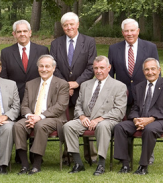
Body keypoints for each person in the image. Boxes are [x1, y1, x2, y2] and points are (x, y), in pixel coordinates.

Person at [63, 56, 127, 176]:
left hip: (107, 120)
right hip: (86, 119)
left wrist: (99, 119)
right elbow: (78, 105)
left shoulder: (119, 86)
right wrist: (81, 116)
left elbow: (119, 110)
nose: (98, 71)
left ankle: (101, 164)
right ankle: (78, 163)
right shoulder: (85, 84)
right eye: (96, 68)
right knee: (68, 126)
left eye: (102, 68)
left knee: (102, 126)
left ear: (109, 68)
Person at [108, 18, 159, 163]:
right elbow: (110, 75)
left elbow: (156, 73)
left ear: (138, 31)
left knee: (147, 124)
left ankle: (148, 155)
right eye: (126, 31)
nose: (129, 33)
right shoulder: (113, 49)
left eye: (132, 30)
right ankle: (125, 156)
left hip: (145, 96)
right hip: (123, 97)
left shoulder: (150, 47)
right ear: (122, 32)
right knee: (126, 126)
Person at [50, 11, 98, 163]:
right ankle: (68, 156)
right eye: (66, 25)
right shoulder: (55, 43)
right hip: (63, 90)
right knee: (66, 122)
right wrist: (65, 85)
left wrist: (76, 83)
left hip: (83, 89)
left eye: (72, 24)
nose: (69, 27)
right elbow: (53, 67)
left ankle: (91, 156)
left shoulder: (89, 41)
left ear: (78, 24)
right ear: (62, 27)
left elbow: (92, 66)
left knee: (86, 120)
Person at [13, 54, 69, 175]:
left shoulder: (62, 84)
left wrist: (40, 117)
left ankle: (36, 165)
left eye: (47, 66)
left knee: (41, 125)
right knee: (18, 126)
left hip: (53, 118)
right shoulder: (30, 84)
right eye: (41, 66)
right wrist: (30, 116)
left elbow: (60, 107)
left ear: (53, 68)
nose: (44, 69)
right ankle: (24, 165)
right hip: (32, 116)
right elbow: (24, 106)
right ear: (38, 68)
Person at [114, 58, 163, 175]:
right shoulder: (138, 87)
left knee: (149, 129)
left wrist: (151, 119)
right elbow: (135, 107)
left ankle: (143, 166)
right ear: (143, 72)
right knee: (120, 127)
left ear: (159, 70)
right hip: (141, 119)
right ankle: (125, 164)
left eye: (153, 69)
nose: (150, 72)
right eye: (147, 69)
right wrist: (136, 119)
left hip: (160, 120)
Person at [0, 20, 49, 102]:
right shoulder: (6, 53)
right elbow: (3, 78)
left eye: (25, 31)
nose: (22, 34)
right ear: (14, 34)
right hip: (14, 98)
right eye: (19, 31)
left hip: (38, 96)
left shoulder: (42, 51)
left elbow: (48, 74)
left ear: (30, 33)